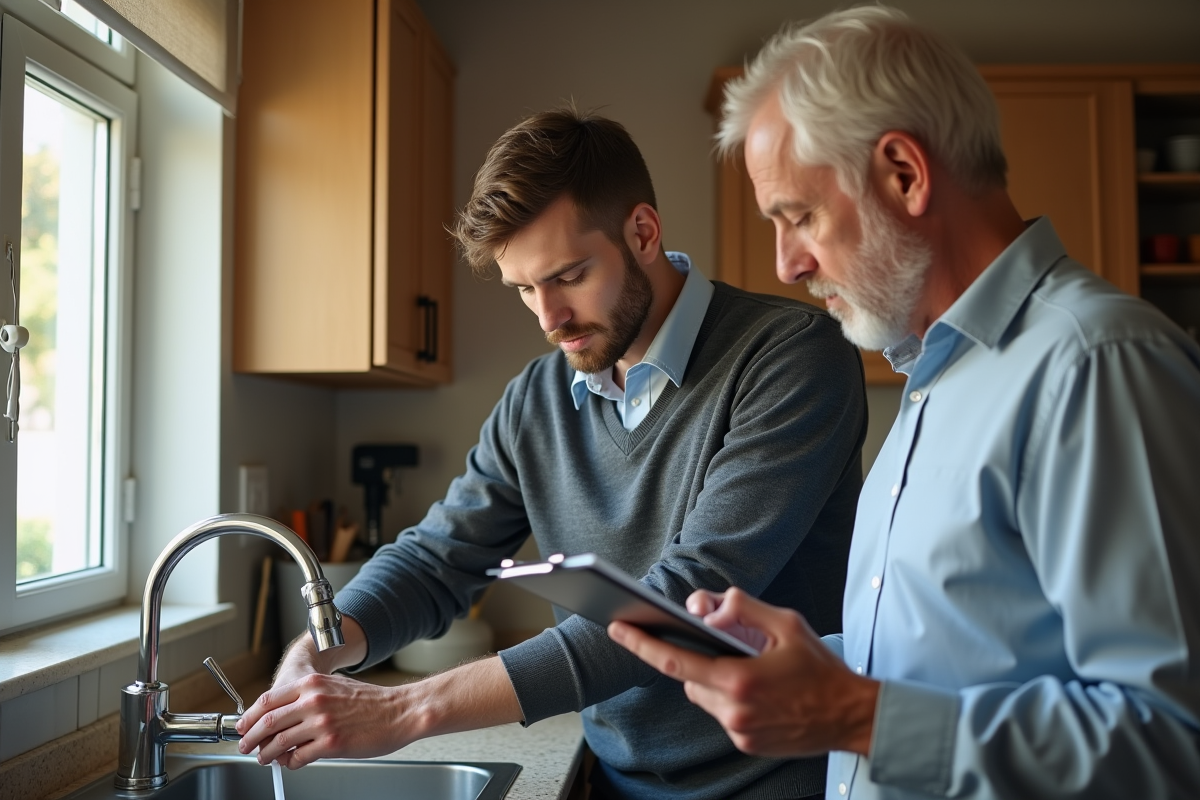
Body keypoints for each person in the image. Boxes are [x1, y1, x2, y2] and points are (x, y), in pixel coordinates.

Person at [609, 7, 1200, 799]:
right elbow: (970, 655)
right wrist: (821, 665)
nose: (786, 264)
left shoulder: (1096, 366)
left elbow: (1171, 739)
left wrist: (856, 715)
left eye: (801, 216)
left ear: (904, 175)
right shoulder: (936, 374)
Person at [236, 106, 868, 799]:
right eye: (524, 289)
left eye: (568, 276)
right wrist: (317, 651)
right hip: (614, 780)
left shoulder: (791, 356)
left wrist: (407, 708)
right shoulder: (537, 397)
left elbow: (685, 598)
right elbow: (439, 559)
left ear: (643, 232)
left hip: (776, 787)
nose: (548, 318)